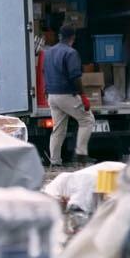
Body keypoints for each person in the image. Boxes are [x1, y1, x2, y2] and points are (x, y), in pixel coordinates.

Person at [43, 25, 95, 166]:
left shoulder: (48, 52)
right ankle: (81, 155)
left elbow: (44, 73)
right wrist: (83, 96)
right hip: (66, 94)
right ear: (73, 37)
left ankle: (55, 161)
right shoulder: (71, 53)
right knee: (87, 120)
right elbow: (75, 76)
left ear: (60, 36)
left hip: (52, 96)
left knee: (58, 128)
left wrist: (46, 91)